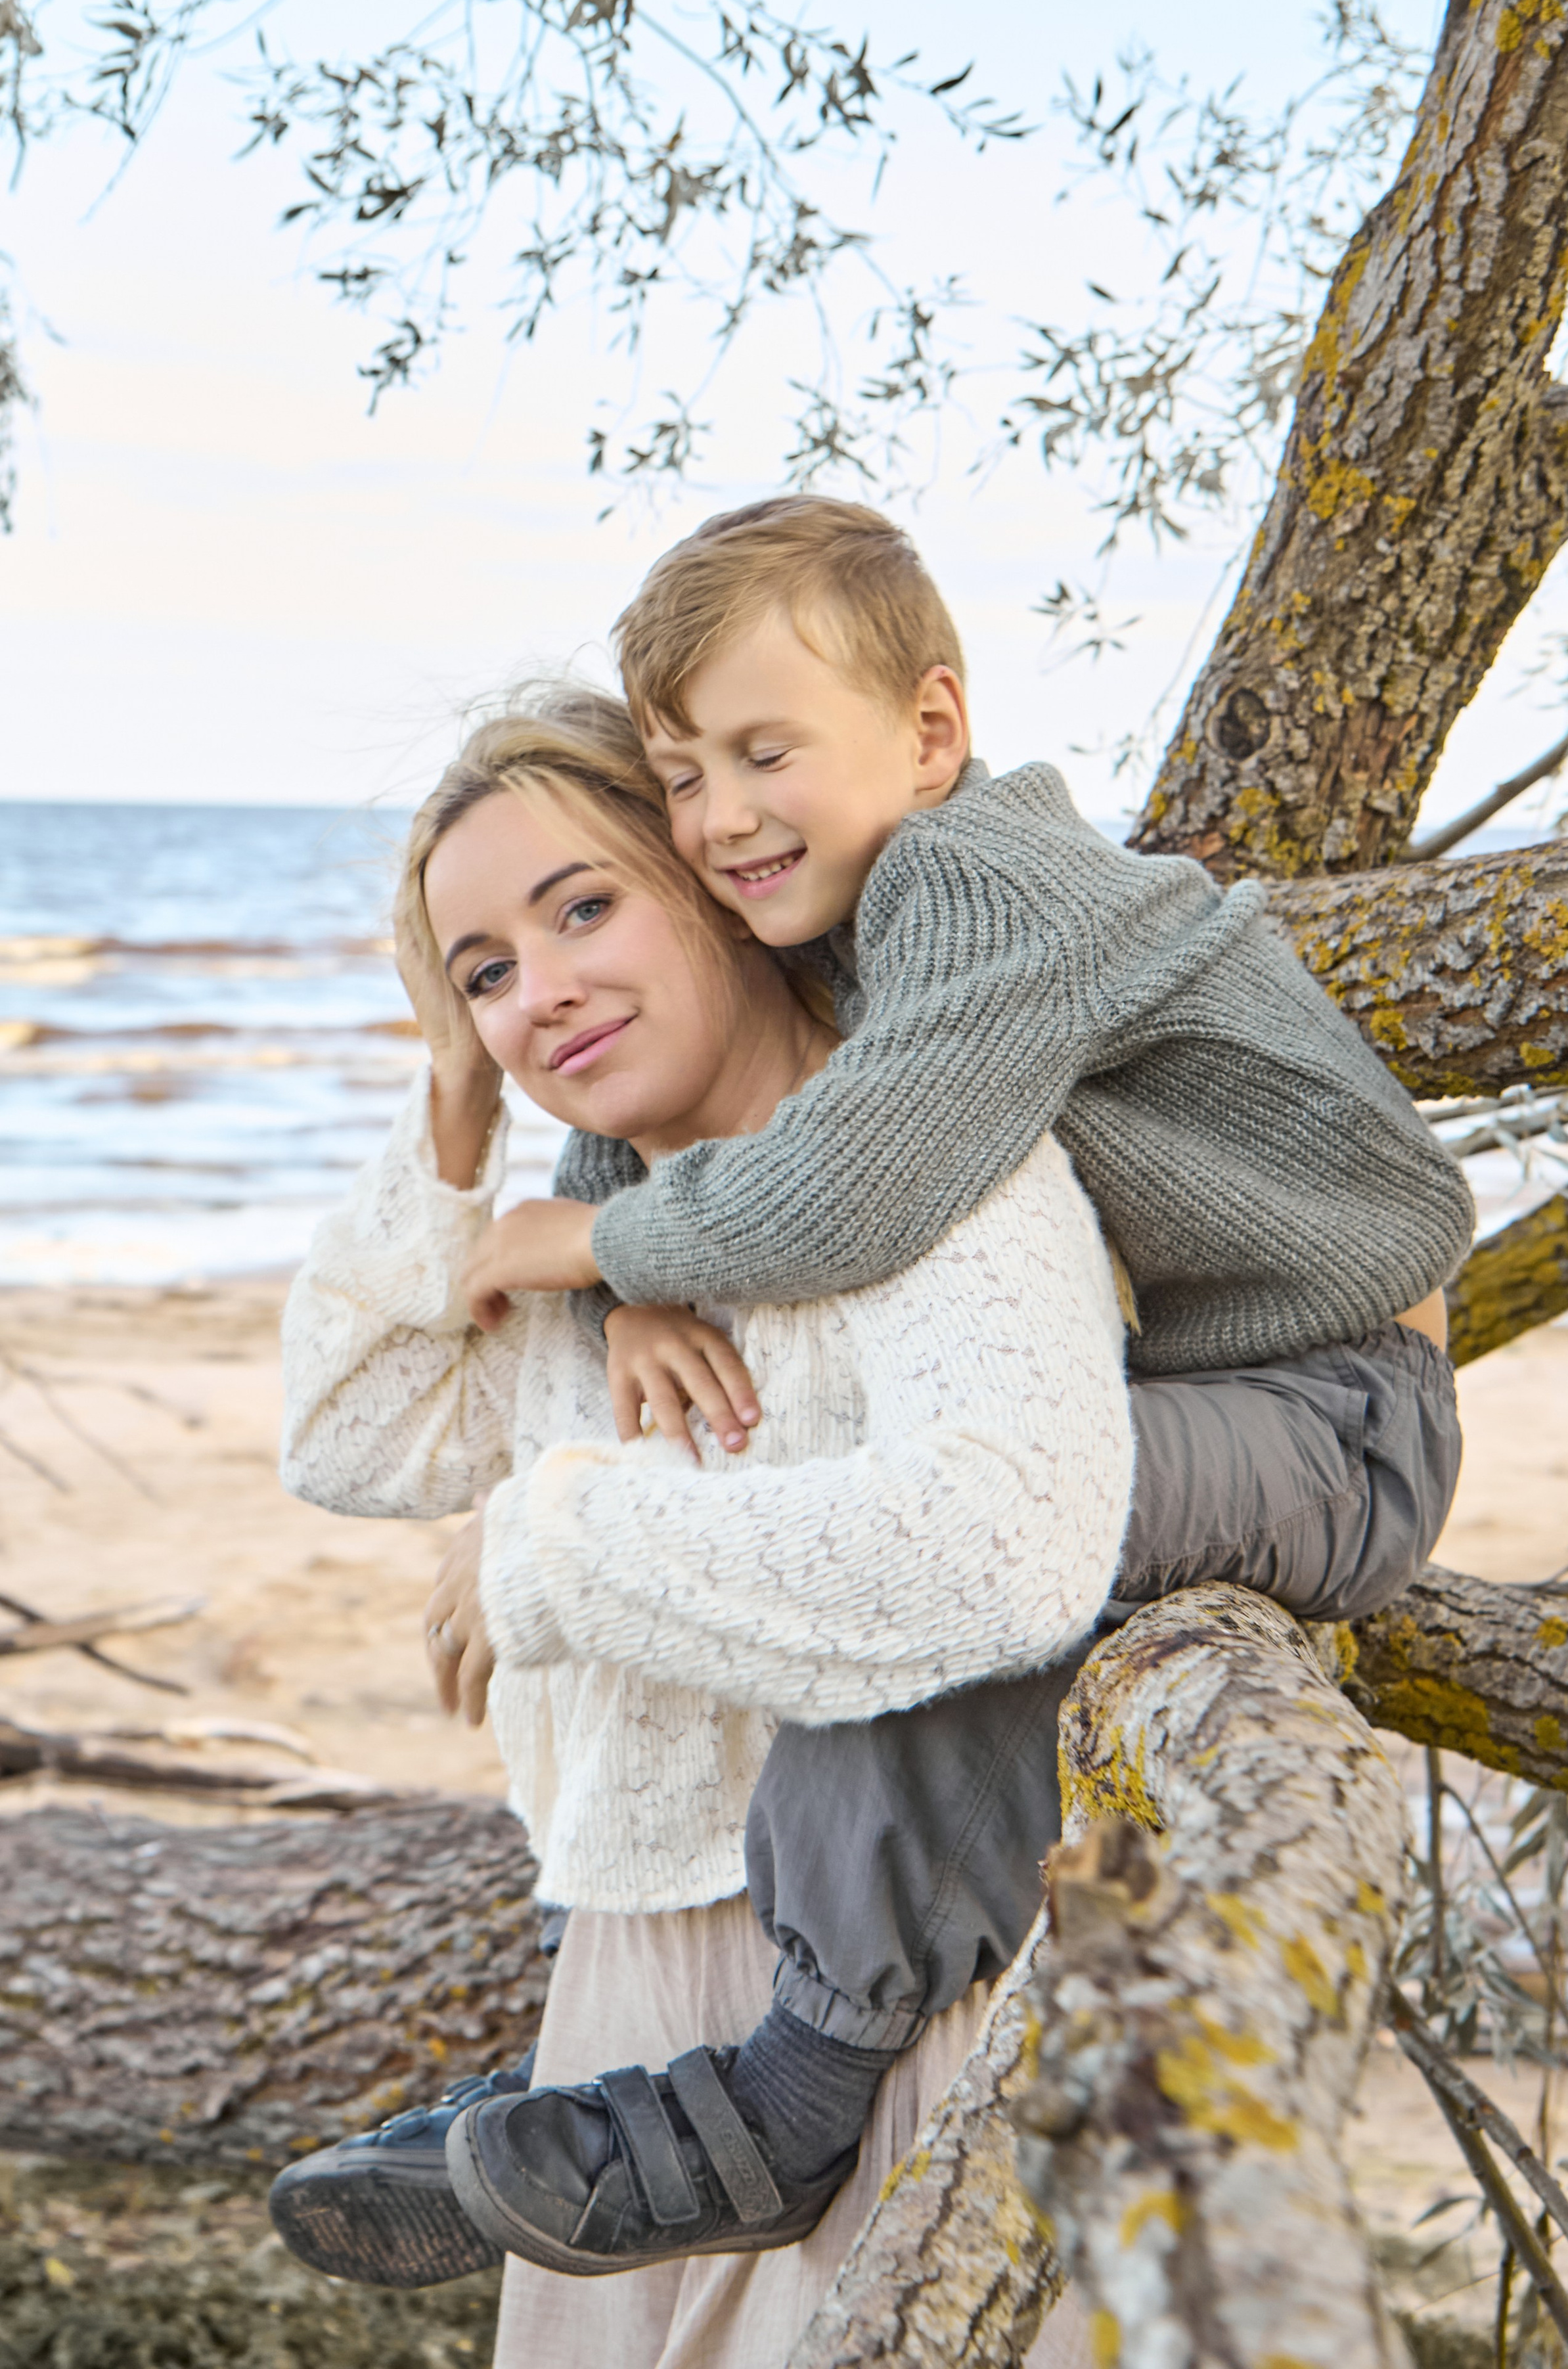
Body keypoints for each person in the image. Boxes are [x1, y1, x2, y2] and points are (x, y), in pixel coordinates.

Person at [418, 497, 1472, 2278]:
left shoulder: (973, 889)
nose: (725, 817)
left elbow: (846, 1186)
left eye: (767, 751)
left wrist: (582, 1253)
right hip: (1244, 1388)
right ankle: (629, 2055)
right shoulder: (854, 906)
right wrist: (621, 1274)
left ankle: (796, 2094)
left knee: (943, 1552)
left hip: (1339, 1414)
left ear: (929, 733)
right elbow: (716, 1094)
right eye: (683, 777)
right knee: (871, 1528)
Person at [270, 688, 1131, 2364]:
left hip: (885, 1999)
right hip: (616, 1999)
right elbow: (348, 1428)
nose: (543, 995)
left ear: (717, 880)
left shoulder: (932, 1174)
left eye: (583, 906)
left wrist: (544, 1546)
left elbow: (1005, 1543)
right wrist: (455, 1098)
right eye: (486, 969)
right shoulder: (591, 1252)